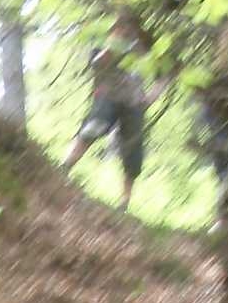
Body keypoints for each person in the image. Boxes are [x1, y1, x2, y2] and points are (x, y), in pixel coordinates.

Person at [62, 16, 162, 212]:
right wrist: (113, 47)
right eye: (124, 26)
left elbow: (165, 72)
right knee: (93, 127)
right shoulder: (106, 37)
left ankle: (124, 204)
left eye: (130, 26)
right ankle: (64, 168)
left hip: (134, 102)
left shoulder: (146, 43)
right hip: (108, 95)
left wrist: (151, 96)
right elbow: (96, 64)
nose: (128, 30)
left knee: (133, 152)